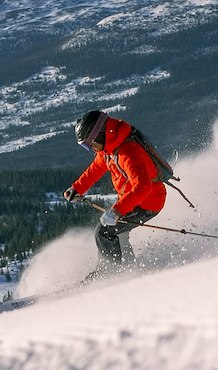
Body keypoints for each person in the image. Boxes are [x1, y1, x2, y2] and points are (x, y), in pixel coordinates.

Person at [64, 110, 166, 271]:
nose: (91, 148)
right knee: (117, 231)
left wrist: (117, 211)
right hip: (133, 199)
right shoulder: (108, 149)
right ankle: (129, 268)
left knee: (103, 232)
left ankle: (110, 273)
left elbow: (143, 186)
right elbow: (97, 167)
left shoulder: (128, 152)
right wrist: (77, 188)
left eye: (90, 143)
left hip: (148, 202)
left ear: (99, 135)